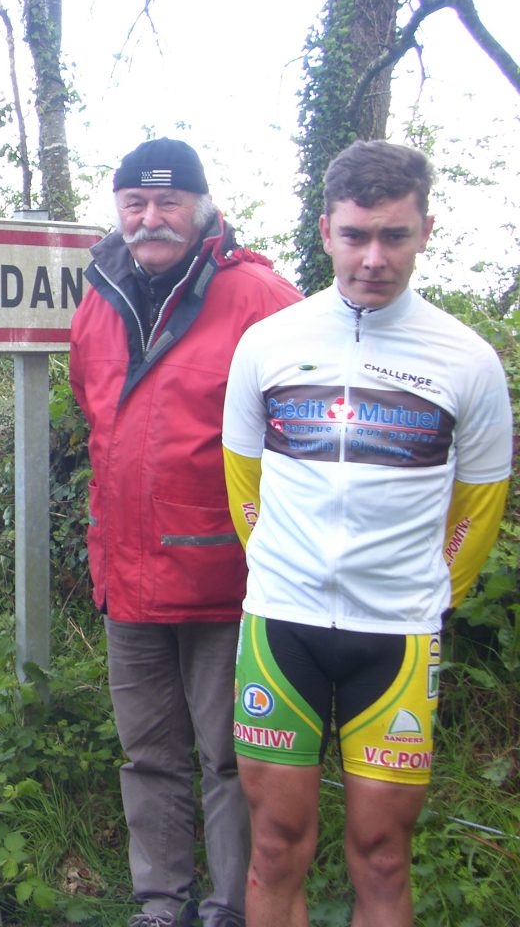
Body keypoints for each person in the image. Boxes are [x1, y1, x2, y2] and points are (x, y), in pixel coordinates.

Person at [222, 140, 512, 927]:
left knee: (382, 852)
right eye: (356, 235)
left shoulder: (469, 361)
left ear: (426, 230)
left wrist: (425, 592)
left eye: (394, 235)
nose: (374, 257)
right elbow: (243, 481)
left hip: (398, 632)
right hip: (282, 623)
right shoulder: (269, 344)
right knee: (278, 844)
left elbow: (480, 504)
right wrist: (284, 570)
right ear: (325, 231)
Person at [68, 138, 301, 927]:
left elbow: (305, 434)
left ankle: (231, 906)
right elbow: (98, 416)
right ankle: (159, 905)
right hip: (128, 578)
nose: (150, 217)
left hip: (227, 578)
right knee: (148, 756)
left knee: (233, 758)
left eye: (168, 202)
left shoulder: (262, 298)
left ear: (202, 207)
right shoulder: (100, 297)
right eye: (134, 202)